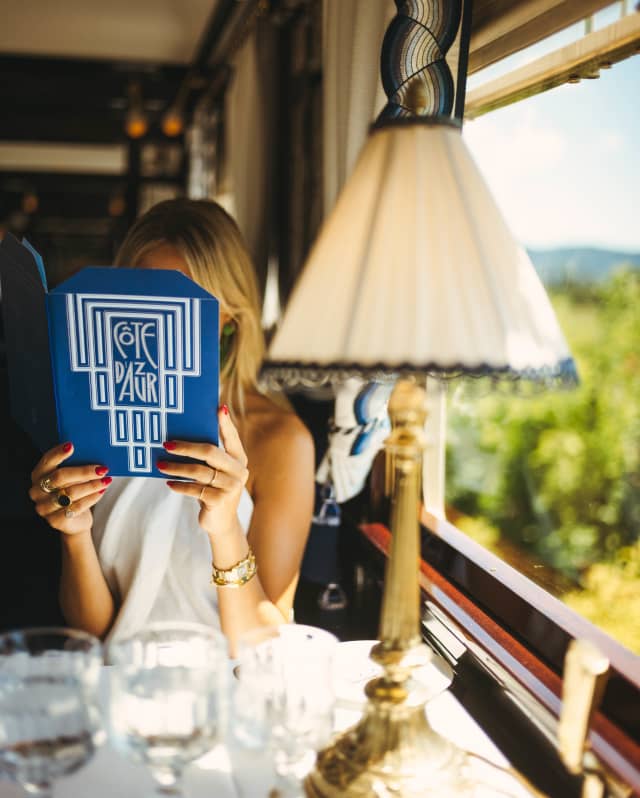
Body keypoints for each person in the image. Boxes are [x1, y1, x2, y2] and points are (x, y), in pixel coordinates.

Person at [28, 198, 315, 648]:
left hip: (224, 691)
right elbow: (93, 634)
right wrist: (75, 534)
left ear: (228, 319)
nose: (157, 323)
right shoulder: (93, 422)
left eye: (184, 303)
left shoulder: (279, 439)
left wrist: (224, 527)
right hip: (115, 685)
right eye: (143, 299)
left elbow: (262, 643)